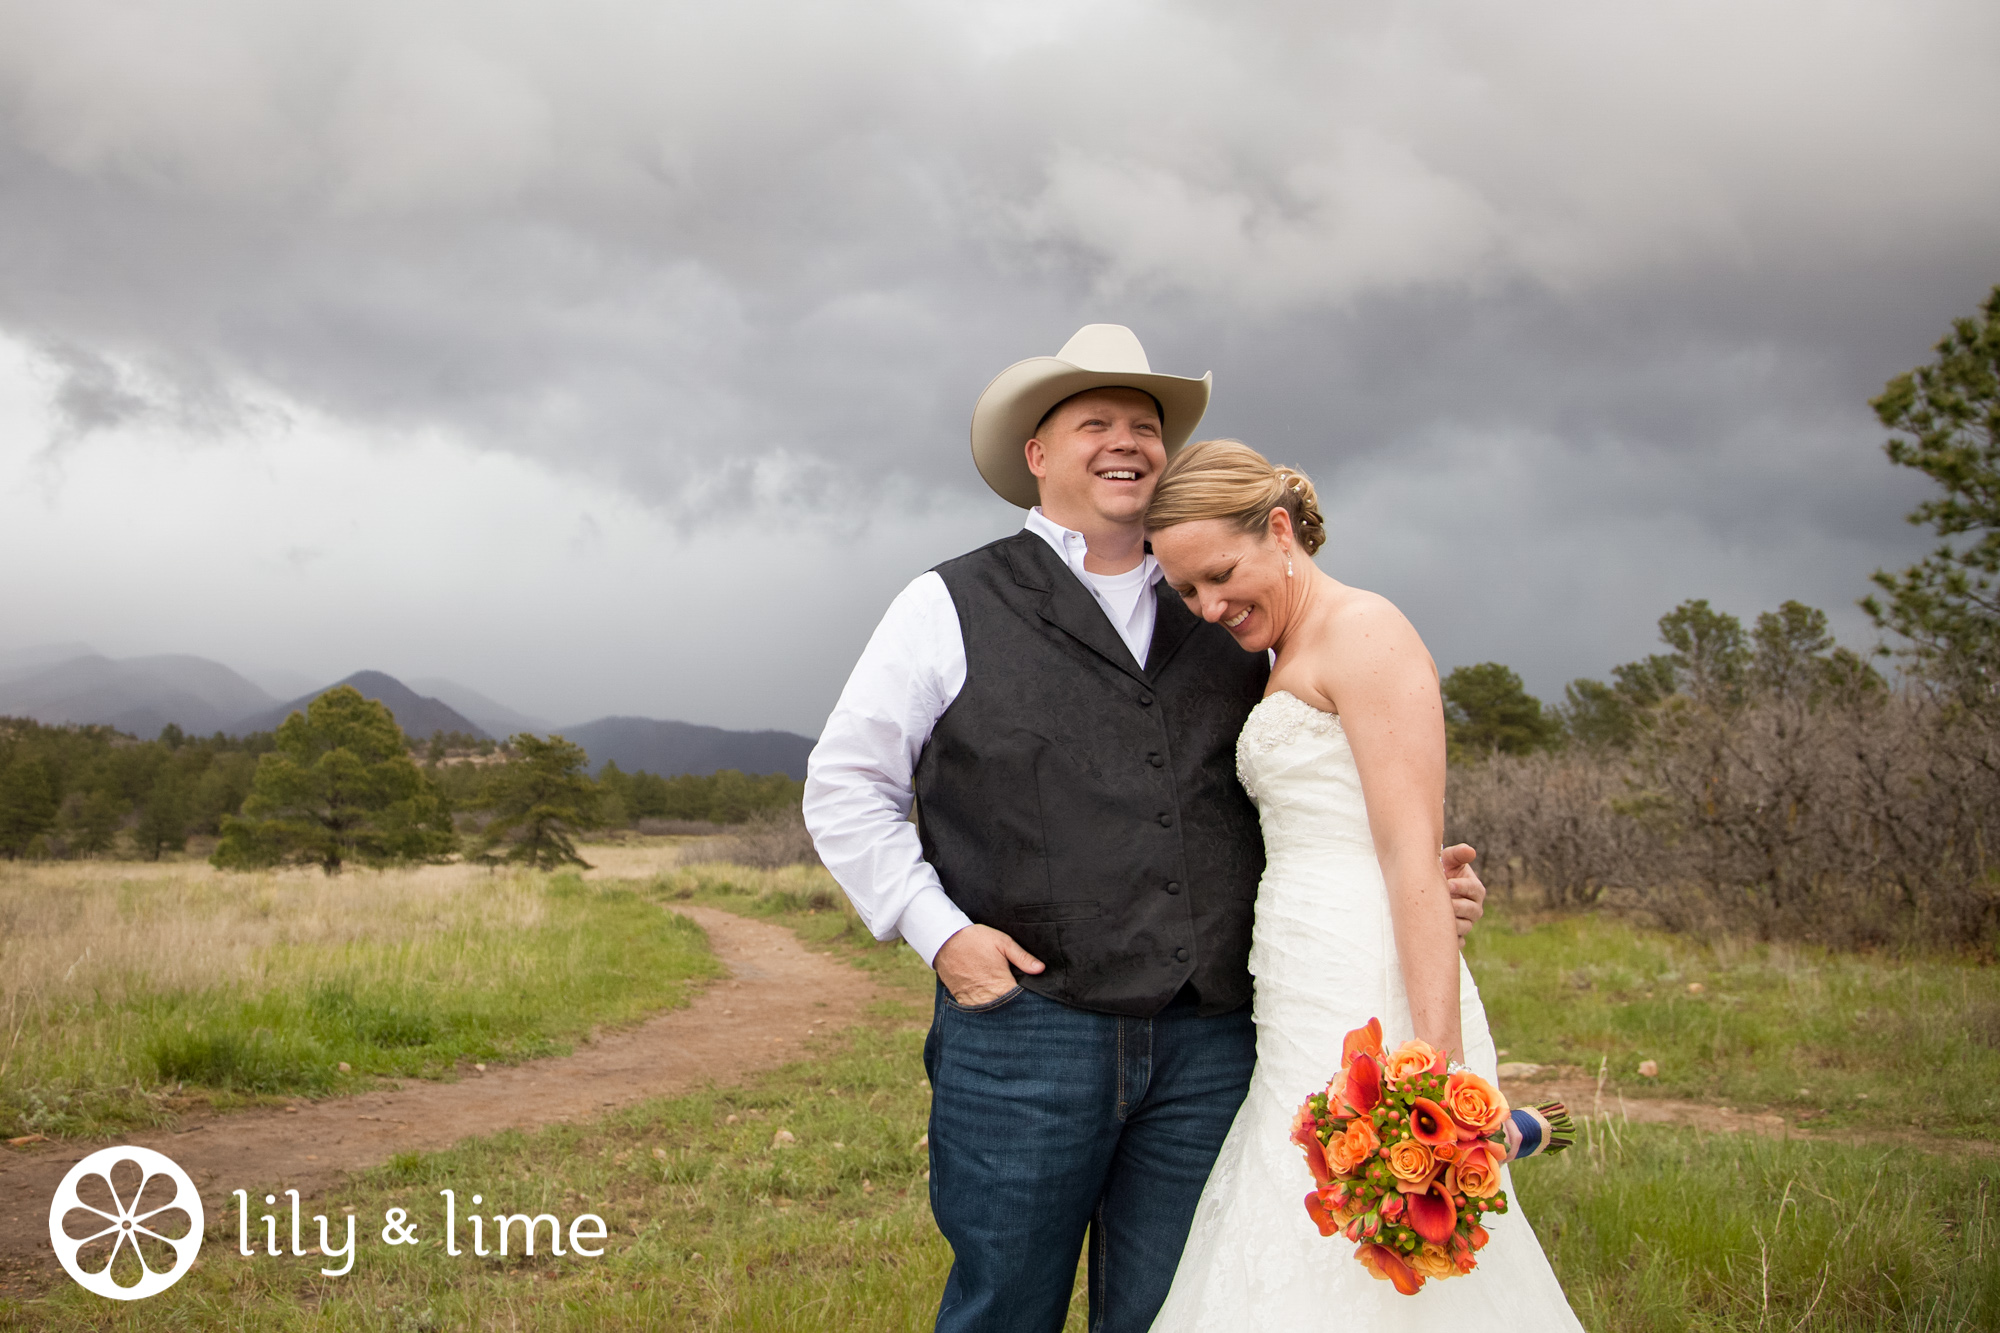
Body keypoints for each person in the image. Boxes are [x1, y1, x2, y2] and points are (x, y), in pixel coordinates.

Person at [803, 326, 1489, 1333]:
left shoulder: (1235, 612)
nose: (1126, 441)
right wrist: (935, 929)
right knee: (1002, 1307)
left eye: (1144, 424)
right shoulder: (946, 602)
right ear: (1036, 454)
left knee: (1177, 1312)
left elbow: (1314, 782)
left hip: (1210, 1042)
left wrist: (1420, 883)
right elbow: (844, 783)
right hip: (1027, 1031)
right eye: (1095, 422)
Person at [1142, 439, 1582, 1328]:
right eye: (1187, 592)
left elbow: (1409, 852)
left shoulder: (1366, 630)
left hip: (1369, 985)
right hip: (1294, 985)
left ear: (1278, 529)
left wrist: (1438, 1073)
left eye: (1221, 575)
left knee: (1378, 1236)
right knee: (1293, 1211)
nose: (1210, 606)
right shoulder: (1280, 649)